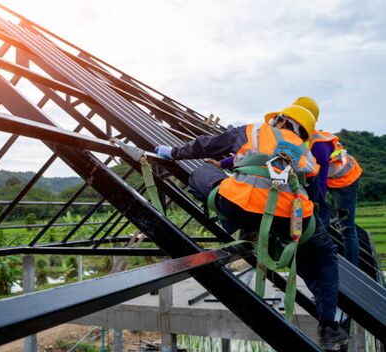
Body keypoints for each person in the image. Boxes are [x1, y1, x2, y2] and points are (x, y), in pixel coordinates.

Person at [155, 104, 347, 350]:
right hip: (288, 217)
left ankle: (245, 227)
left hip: (240, 205)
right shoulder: (305, 152)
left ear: (280, 119)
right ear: (304, 132)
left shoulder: (256, 131)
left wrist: (172, 152)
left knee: (201, 173)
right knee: (324, 258)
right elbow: (311, 190)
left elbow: (209, 144)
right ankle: (329, 325)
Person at [293, 97, 362, 266]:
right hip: (330, 179)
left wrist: (317, 209)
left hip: (345, 181)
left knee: (347, 227)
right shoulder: (301, 139)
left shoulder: (318, 144)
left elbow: (320, 183)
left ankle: (352, 268)